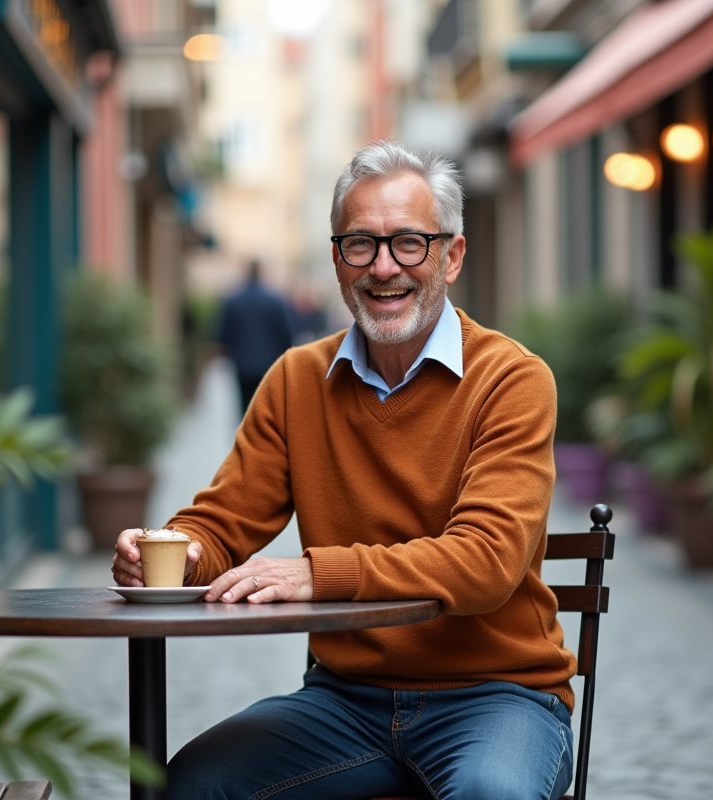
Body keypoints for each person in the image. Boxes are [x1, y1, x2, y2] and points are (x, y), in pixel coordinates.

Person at [112, 141, 572, 800]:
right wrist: (180, 552)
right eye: (360, 244)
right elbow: (223, 522)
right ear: (336, 259)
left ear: (453, 255)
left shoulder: (511, 380)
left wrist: (316, 574)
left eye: (409, 243)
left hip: (496, 696)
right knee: (191, 786)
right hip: (343, 703)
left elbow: (487, 561)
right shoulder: (297, 380)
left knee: (489, 796)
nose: (384, 267)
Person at [215, 258, 294, 414]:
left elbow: (224, 334)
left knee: (245, 406)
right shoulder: (274, 300)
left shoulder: (233, 300)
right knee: (266, 405)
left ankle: (247, 434)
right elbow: (286, 334)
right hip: (269, 362)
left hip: (242, 363)